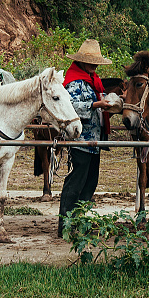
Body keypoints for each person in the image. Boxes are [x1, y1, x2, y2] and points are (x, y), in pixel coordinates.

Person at [57, 39, 116, 238]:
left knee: (90, 182)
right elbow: (70, 106)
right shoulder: (75, 82)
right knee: (76, 182)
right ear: (82, 62)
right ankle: (66, 225)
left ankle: (78, 222)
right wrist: (95, 105)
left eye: (96, 62)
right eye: (91, 62)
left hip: (93, 141)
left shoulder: (92, 81)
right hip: (80, 140)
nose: (94, 66)